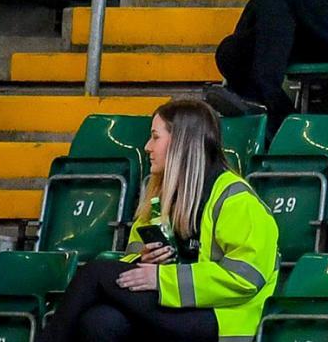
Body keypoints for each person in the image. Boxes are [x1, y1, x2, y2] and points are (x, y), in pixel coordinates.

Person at [38, 98, 278, 342]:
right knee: (101, 322)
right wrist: (143, 258)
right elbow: (131, 255)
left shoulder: (236, 198)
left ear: (181, 144)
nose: (147, 147)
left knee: (96, 273)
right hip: (177, 306)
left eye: (155, 137)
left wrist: (162, 280)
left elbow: (246, 279)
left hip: (224, 320)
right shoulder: (160, 194)